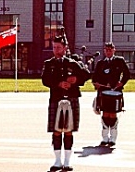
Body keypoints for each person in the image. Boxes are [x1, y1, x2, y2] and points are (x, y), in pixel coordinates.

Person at [41, 36, 90, 172]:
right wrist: (58, 83)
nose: (56, 50)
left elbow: (86, 74)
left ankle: (67, 161)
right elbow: (45, 80)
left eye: (58, 47)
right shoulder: (48, 63)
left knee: (68, 132)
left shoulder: (73, 63)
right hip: (56, 99)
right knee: (56, 131)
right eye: (54, 47)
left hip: (71, 98)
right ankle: (57, 161)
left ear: (65, 48)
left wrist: (76, 79)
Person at [92, 42, 130, 147]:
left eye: (110, 49)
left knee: (112, 114)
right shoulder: (100, 63)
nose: (108, 51)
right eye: (106, 49)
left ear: (114, 50)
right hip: (103, 93)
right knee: (105, 114)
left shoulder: (119, 61)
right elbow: (94, 78)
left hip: (116, 92)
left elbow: (126, 74)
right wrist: (97, 84)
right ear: (104, 50)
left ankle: (113, 138)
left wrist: (121, 83)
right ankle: (105, 138)